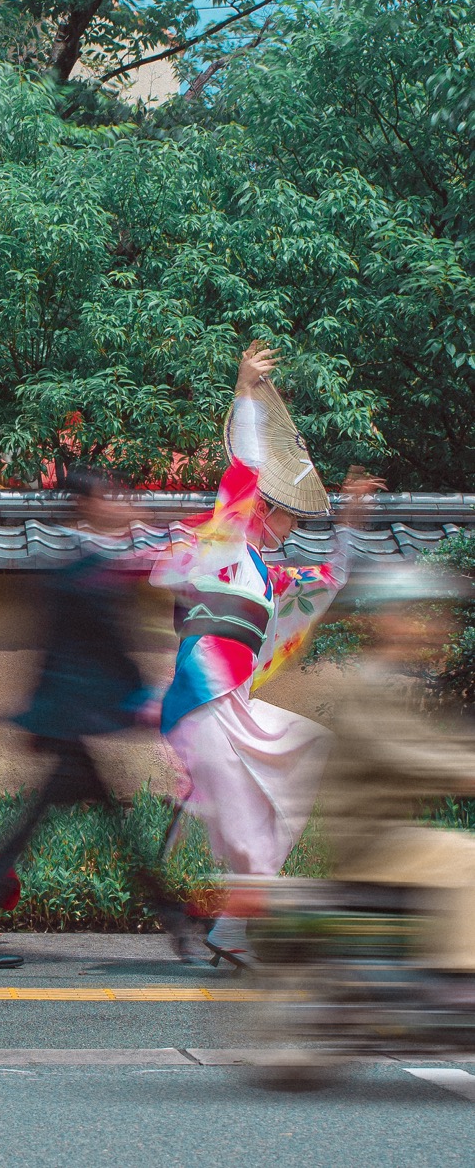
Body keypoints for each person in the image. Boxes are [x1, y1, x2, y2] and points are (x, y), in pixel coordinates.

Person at [151, 341, 380, 965]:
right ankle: (238, 927)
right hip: (202, 703)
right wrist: (246, 392)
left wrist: (352, 523)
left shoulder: (267, 575)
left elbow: (329, 578)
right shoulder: (222, 543)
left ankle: (233, 924)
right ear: (261, 510)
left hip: (235, 708)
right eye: (274, 509)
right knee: (248, 826)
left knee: (302, 761)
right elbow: (247, 468)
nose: (280, 519)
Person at [0, 471, 185, 968]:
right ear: (86, 507)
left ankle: (175, 917)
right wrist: (138, 697)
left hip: (73, 721)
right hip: (71, 720)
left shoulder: (92, 565)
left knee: (77, 824)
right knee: (74, 827)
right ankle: (176, 918)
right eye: (110, 497)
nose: (121, 504)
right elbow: (68, 654)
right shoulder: (76, 572)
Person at [319, 565, 475, 985]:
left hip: (390, 835)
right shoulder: (366, 685)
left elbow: (436, 747)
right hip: (370, 842)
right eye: (416, 615)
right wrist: (461, 773)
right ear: (389, 620)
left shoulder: (392, 683)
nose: (430, 629)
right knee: (468, 857)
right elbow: (400, 755)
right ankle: (460, 980)